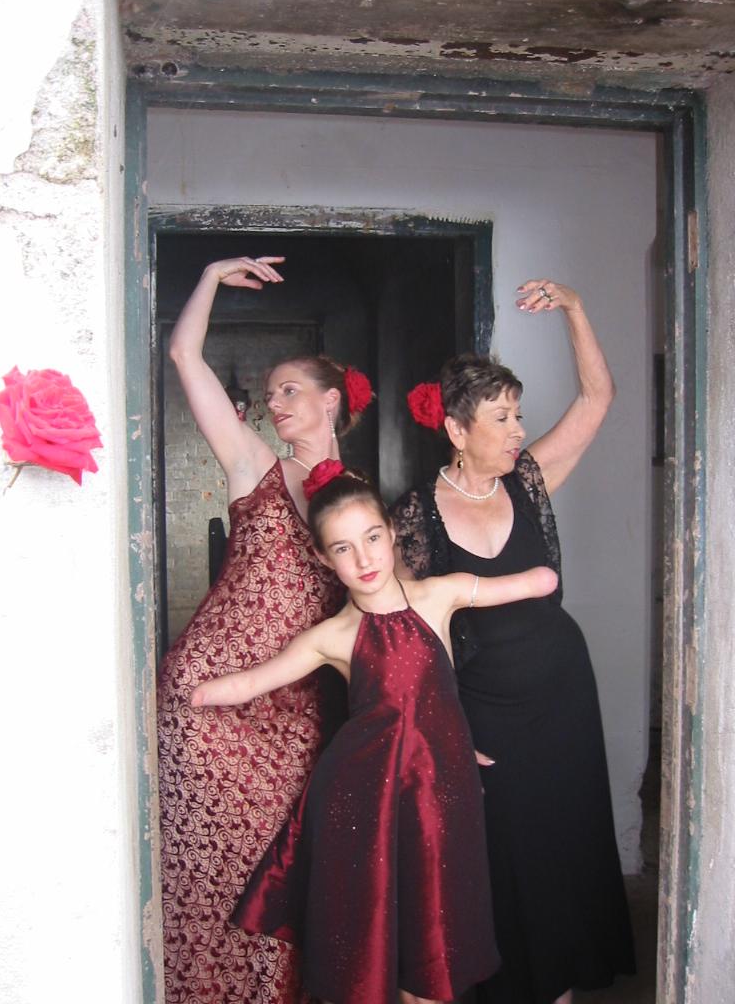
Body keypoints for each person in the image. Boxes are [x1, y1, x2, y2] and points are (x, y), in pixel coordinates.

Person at [191, 470, 558, 1004]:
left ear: (391, 534)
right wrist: (188, 693)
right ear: (323, 559)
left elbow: (536, 582)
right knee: (377, 945)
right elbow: (251, 682)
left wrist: (534, 579)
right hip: (367, 799)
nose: (363, 560)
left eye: (371, 538)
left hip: (441, 796)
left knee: (435, 946)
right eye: (343, 548)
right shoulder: (332, 636)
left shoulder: (437, 596)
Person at [392, 279, 636, 1004]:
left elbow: (598, 401)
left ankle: (558, 989)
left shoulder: (530, 480)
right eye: (501, 418)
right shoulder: (414, 516)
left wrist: (577, 309)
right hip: (485, 713)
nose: (518, 430)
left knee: (562, 848)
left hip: (562, 695)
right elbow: (411, 641)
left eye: (519, 414)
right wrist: (445, 728)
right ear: (458, 431)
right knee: (504, 859)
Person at [158, 256, 373, 1004]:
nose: (275, 404)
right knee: (199, 877)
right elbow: (185, 355)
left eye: (290, 391)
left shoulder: (361, 505)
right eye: (272, 392)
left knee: (268, 883)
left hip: (293, 719)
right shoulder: (254, 465)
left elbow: (385, 621)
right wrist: (213, 276)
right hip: (208, 701)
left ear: (332, 402)